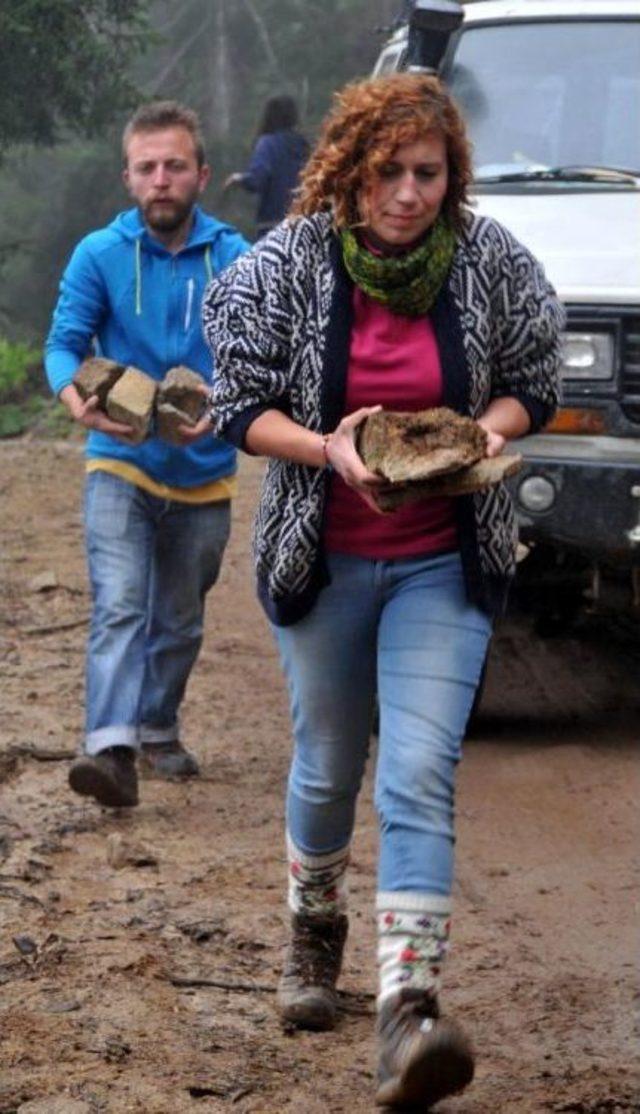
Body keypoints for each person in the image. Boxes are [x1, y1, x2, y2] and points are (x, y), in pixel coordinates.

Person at [203, 74, 562, 1109]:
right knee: (326, 763)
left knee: (415, 770)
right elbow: (238, 406)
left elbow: (536, 380)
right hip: (323, 554)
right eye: (388, 173)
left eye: (428, 173)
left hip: (444, 557)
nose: (407, 193)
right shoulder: (284, 266)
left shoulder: (491, 260)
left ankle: (407, 1007)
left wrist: (490, 428)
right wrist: (326, 447)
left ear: (451, 178)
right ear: (350, 175)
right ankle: (313, 932)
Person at [44, 101, 249, 809]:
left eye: (175, 166)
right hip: (120, 459)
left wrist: (223, 405)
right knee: (121, 604)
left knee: (180, 619)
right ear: (128, 178)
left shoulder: (237, 257)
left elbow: (258, 360)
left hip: (205, 472)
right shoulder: (99, 253)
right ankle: (111, 748)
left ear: (202, 175)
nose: (161, 179)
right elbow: (64, 345)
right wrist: (77, 400)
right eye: (147, 167)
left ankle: (158, 724)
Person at [223, 93, 309, 238]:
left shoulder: (268, 143)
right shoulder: (304, 146)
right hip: (302, 224)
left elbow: (257, 179)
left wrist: (239, 179)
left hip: (272, 226)